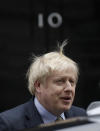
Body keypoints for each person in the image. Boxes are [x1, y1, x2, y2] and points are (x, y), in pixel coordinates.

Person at [0, 41, 87, 131]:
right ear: (38, 86)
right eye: (60, 81)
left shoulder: (81, 115)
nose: (69, 88)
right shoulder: (9, 124)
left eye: (72, 82)